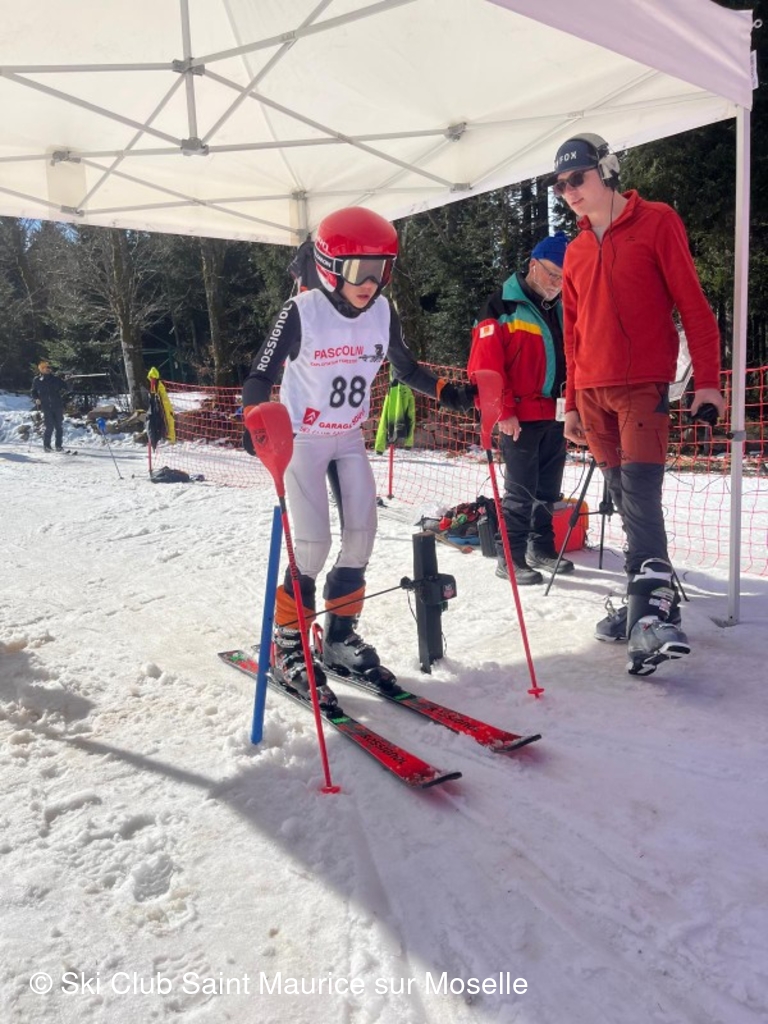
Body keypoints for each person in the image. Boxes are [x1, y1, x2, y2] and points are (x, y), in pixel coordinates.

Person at [242, 207, 476, 705]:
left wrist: (446, 392)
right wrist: (254, 416)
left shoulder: (383, 312)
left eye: (380, 270)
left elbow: (406, 368)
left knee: (361, 540)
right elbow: (259, 375)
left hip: (348, 438)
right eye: (358, 270)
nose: (370, 283)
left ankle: (340, 636)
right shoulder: (302, 311)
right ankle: (288, 644)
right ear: (329, 267)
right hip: (303, 440)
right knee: (311, 547)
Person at [547, 132, 726, 675]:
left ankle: (651, 615)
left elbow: (693, 305)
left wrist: (709, 382)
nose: (569, 191)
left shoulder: (657, 221)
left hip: (642, 388)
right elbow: (572, 334)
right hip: (591, 395)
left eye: (577, 178)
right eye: (559, 185)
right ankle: (643, 606)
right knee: (624, 499)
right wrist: (570, 403)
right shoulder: (575, 249)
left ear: (607, 170)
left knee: (642, 496)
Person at [468, 231, 573, 585]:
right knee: (520, 491)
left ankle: (540, 547)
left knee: (548, 489)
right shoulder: (501, 306)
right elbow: (485, 368)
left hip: (556, 413)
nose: (557, 284)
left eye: (564, 278)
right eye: (553, 274)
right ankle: (510, 558)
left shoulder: (562, 307)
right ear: (533, 266)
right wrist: (503, 411)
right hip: (519, 417)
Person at [30, 360, 69, 452]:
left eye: (49, 368)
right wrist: (36, 398)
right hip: (46, 406)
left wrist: (68, 380)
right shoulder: (37, 380)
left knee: (59, 426)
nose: (48, 369)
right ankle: (47, 446)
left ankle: (58, 446)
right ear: (41, 369)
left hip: (57, 405)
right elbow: (33, 391)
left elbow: (67, 388)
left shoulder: (56, 379)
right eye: (46, 368)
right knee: (49, 427)